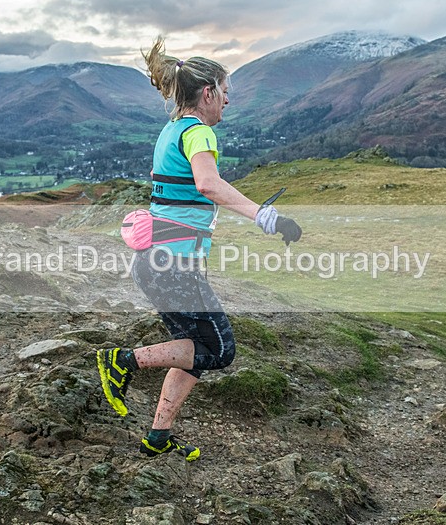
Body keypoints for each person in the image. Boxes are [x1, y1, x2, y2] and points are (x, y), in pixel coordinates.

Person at [96, 36, 302, 461]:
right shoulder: (199, 132)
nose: (228, 100)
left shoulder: (172, 129)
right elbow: (208, 184)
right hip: (172, 263)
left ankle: (158, 436)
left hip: (158, 260)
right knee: (220, 351)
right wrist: (265, 216)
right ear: (207, 93)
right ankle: (122, 361)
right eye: (225, 92)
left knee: (194, 348)